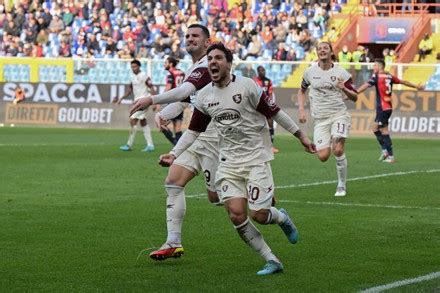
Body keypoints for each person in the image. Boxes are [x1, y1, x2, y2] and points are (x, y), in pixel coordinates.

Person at [158, 43, 316, 275]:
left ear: (229, 63)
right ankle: (272, 260)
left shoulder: (247, 86)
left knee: (259, 215)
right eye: (210, 58)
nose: (213, 62)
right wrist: (173, 154)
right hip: (228, 162)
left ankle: (281, 218)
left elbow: (275, 112)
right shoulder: (204, 96)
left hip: (255, 159)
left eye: (218, 58)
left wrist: (301, 136)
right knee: (236, 214)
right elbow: (193, 131)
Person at [130, 24, 221, 260]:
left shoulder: (206, 67)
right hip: (195, 136)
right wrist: (164, 114)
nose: (189, 39)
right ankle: (173, 242)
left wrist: (152, 99)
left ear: (207, 42)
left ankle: (269, 209)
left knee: (217, 198)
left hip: (215, 139)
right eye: (187, 36)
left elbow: (184, 92)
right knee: (173, 182)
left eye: (195, 36)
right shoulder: (193, 67)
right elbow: (185, 101)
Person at [298, 41, 358, 197]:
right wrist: (302, 111)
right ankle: (325, 143)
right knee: (323, 156)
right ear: (317, 53)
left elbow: (355, 96)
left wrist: (344, 88)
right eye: (319, 49)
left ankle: (341, 185)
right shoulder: (309, 72)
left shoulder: (341, 73)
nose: (322, 50)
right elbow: (301, 91)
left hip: (339, 115)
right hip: (320, 120)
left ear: (331, 52)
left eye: (325, 48)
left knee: (338, 149)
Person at [357, 59, 425, 163]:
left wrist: (355, 93)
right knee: (375, 128)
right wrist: (417, 87)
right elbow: (403, 82)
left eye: (375, 65)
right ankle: (385, 151)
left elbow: (366, 86)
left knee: (384, 131)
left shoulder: (376, 76)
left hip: (383, 108)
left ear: (380, 67)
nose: (373, 67)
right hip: (386, 107)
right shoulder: (389, 76)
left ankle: (391, 156)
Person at [113, 59, 156, 152]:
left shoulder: (144, 76)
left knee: (132, 119)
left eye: (135, 66)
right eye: (132, 67)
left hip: (144, 101)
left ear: (139, 66)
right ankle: (150, 145)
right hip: (137, 101)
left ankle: (129, 144)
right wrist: (121, 98)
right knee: (143, 121)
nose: (133, 68)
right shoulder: (132, 77)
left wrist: (154, 102)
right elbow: (129, 90)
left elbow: (152, 87)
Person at [160, 56, 186, 146]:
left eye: (165, 62)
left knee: (161, 125)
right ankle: (180, 147)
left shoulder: (170, 73)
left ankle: (176, 144)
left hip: (173, 101)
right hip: (181, 101)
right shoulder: (182, 73)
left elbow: (168, 87)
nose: (164, 64)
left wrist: (160, 99)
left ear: (170, 64)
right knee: (177, 127)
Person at [253, 66, 279, 153]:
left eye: (263, 70)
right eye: (260, 71)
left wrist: (269, 104)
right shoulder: (254, 81)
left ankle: (271, 146)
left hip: (266, 105)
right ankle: (256, 146)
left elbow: (270, 94)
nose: (262, 72)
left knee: (270, 123)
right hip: (256, 106)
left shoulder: (268, 81)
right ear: (257, 72)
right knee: (256, 125)